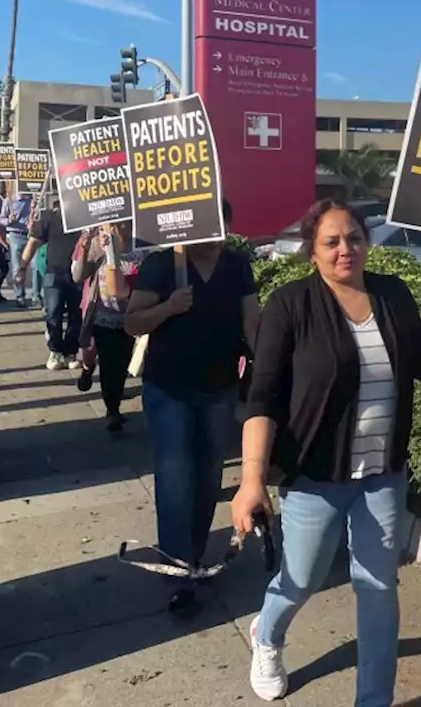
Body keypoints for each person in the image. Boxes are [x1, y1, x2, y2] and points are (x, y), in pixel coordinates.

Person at [232, 199, 421, 705]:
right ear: (311, 250)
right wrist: (252, 481)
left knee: (378, 590)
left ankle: (372, 700)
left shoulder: (392, 294)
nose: (345, 250)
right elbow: (263, 397)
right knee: (302, 578)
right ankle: (267, 635)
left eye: (354, 238)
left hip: (383, 475)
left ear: (366, 242)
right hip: (315, 475)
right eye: (331, 241)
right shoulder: (292, 304)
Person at [124, 199, 260, 615]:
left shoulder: (237, 265)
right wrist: (168, 307)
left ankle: (195, 556)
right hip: (169, 388)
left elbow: (251, 322)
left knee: (207, 476)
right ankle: (178, 568)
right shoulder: (163, 265)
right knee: (175, 475)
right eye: (209, 223)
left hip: (219, 388)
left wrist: (270, 371)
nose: (216, 232)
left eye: (223, 223)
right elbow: (133, 322)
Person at [71, 221, 143, 433]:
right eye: (107, 226)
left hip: (130, 316)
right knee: (109, 365)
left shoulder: (140, 246)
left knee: (122, 364)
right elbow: (78, 276)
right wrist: (85, 249)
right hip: (103, 317)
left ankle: (115, 400)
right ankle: (112, 409)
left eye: (118, 225)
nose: (112, 229)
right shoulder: (96, 244)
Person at [16, 200, 84, 370]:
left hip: (80, 273)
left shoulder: (84, 218)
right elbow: (33, 243)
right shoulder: (49, 218)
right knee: (53, 313)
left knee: (77, 315)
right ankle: (55, 351)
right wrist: (22, 268)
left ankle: (70, 353)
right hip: (54, 271)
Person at [0, 190, 34, 305]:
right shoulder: (9, 201)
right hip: (15, 235)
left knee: (35, 267)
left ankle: (36, 296)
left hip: (31, 236)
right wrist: (8, 220)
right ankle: (20, 297)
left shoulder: (33, 200)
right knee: (17, 267)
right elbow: (1, 219)